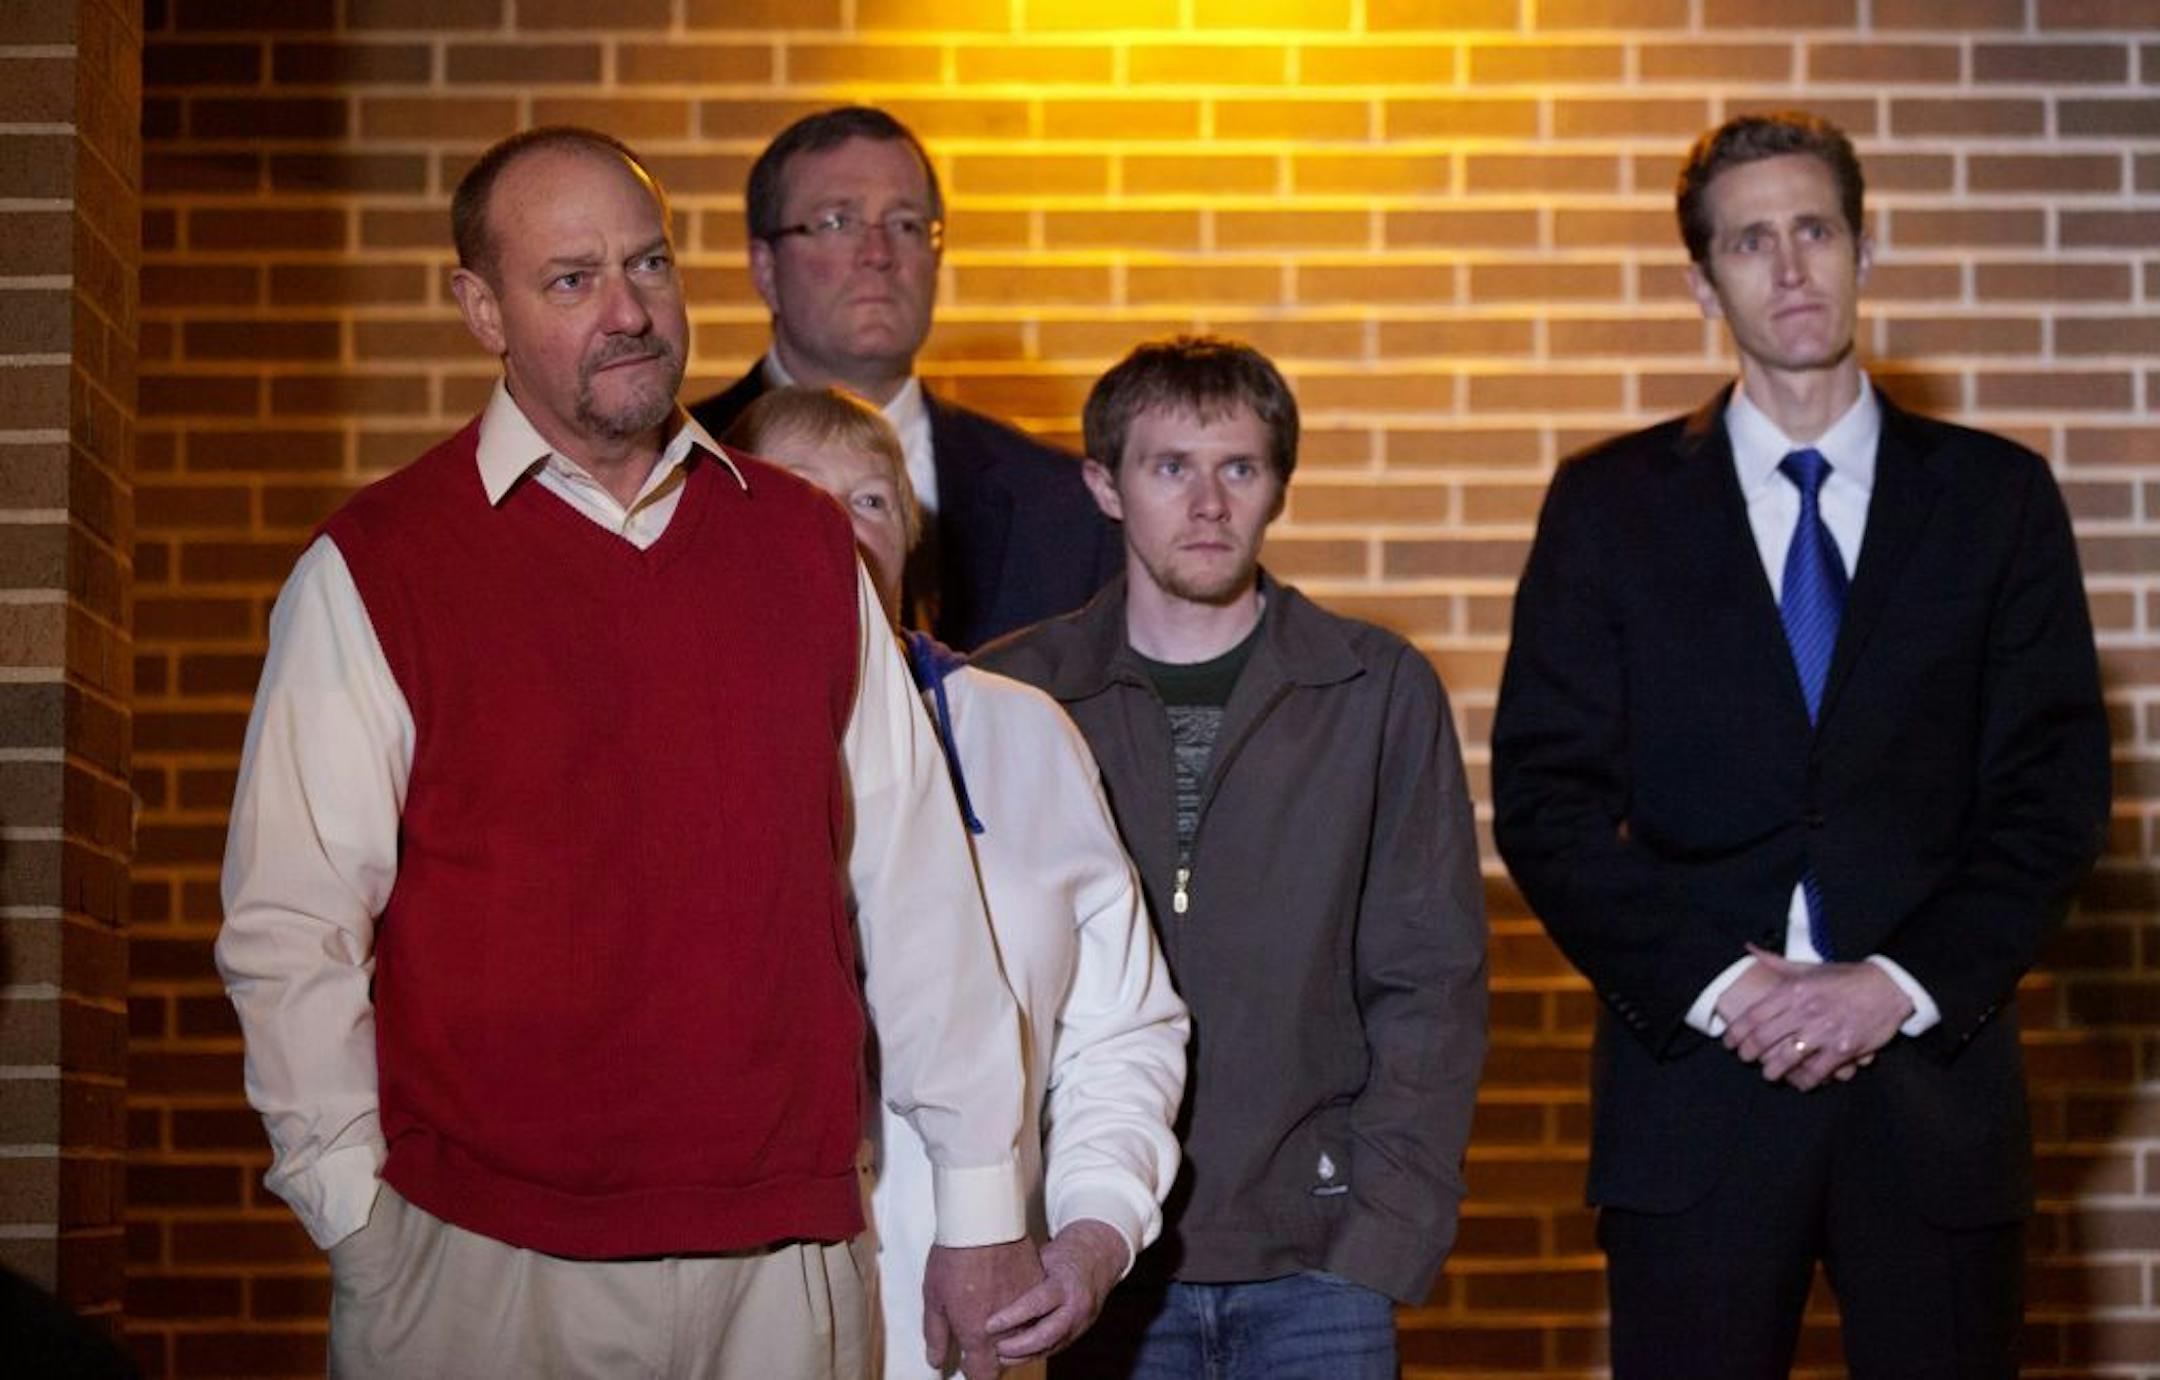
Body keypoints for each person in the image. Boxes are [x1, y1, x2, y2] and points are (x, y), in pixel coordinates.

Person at [215, 126, 1041, 1380]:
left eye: (649, 264)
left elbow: (921, 892)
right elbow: (292, 925)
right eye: (571, 278)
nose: (628, 310)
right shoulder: (378, 566)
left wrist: (981, 1209)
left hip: (787, 1258)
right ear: (480, 308)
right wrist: (356, 1213)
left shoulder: (807, 551)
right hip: (478, 1264)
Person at [1492, 111, 2112, 1379]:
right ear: (1702, 279)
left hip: (1932, 1094)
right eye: (1750, 241)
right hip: (1698, 1098)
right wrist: (1737, 991)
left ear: (1863, 250)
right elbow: (1547, 804)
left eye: (1815, 229)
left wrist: (1896, 982)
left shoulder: (1997, 500)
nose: (1789, 267)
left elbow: (2052, 800)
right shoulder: (1608, 509)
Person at [976, 336, 1489, 1379]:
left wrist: (1376, 1236)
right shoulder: (1013, 695)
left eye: (1239, 468)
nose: (1208, 503)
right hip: (1084, 1258)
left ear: (1279, 488)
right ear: (1104, 487)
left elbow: (1430, 984)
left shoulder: (1376, 690)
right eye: (1171, 467)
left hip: (1315, 1262)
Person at [726, 386, 1190, 1379]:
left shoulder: (1024, 735)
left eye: (872, 501)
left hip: (966, 1333)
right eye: (803, 496)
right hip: (717, 1321)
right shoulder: (668, 743)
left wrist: (1098, 1226)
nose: (840, 531)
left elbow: (1119, 1030)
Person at [690, 105, 1119, 651]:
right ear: (765, 267)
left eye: (906, 224)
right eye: (836, 222)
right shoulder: (673, 472)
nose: (878, 254)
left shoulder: (1067, 507)